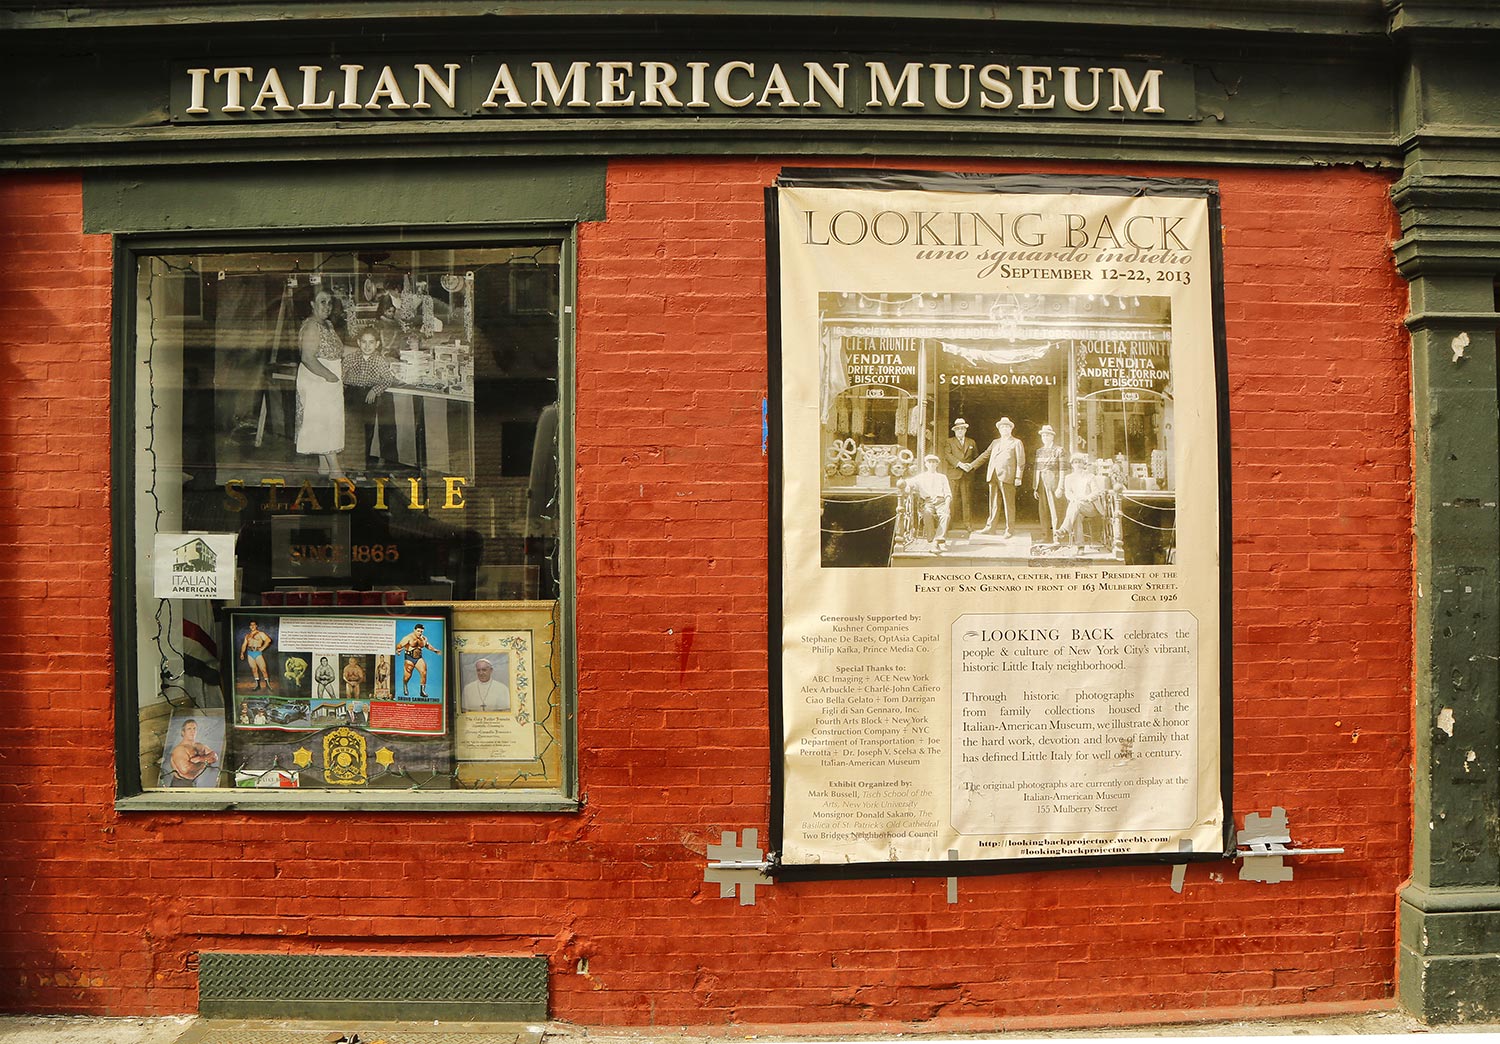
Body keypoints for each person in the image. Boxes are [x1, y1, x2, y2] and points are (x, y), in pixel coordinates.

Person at [295, 288, 345, 477]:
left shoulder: (327, 325)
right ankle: (335, 470)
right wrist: (329, 376)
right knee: (324, 423)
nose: (327, 306)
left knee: (328, 421)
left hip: (326, 379)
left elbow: (339, 350)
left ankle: (324, 466)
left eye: (329, 302)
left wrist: (365, 349)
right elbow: (307, 358)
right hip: (317, 379)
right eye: (322, 301)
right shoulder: (311, 326)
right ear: (312, 304)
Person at [343, 329, 398, 471]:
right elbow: (341, 376)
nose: (367, 346)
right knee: (351, 431)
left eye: (371, 342)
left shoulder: (379, 360)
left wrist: (375, 390)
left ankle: (364, 466)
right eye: (364, 342)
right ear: (358, 343)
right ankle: (350, 466)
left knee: (367, 432)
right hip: (351, 396)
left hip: (369, 397)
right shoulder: (351, 358)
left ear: (377, 344)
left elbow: (387, 379)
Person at [963, 417, 1025, 538]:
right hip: (993, 475)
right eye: (1002, 427)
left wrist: (1018, 477)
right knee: (993, 503)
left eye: (1007, 427)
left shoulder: (1016, 442)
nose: (1004, 429)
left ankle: (1009, 530)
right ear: (999, 429)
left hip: (1008, 476)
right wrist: (971, 466)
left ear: (1011, 428)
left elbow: (1021, 461)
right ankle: (990, 527)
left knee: (1009, 504)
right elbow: (985, 455)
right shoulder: (995, 442)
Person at [904, 453, 953, 551]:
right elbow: (909, 482)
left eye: (934, 462)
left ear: (937, 464)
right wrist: (907, 487)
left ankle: (937, 541)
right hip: (928, 502)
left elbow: (948, 493)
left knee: (946, 515)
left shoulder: (942, 477)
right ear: (926, 464)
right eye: (929, 462)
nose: (932, 464)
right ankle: (932, 541)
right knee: (927, 513)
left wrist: (947, 506)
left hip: (941, 502)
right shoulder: (921, 477)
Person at [1057, 453, 1110, 542]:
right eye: (1075, 462)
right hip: (1076, 506)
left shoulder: (1090, 476)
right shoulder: (1068, 478)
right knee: (1076, 515)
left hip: (1090, 507)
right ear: (1072, 464)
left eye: (1080, 462)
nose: (1077, 464)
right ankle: (1080, 546)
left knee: (1076, 505)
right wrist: (1074, 499)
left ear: (1083, 464)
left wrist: (1085, 498)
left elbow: (1096, 492)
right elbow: (1068, 493)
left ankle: (1064, 529)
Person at [941, 418, 978, 534]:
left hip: (967, 475)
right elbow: (947, 455)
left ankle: (967, 524)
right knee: (951, 499)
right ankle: (949, 523)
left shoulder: (971, 442)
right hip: (953, 474)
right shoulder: (949, 442)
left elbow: (976, 457)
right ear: (954, 431)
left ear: (965, 430)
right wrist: (960, 464)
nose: (960, 431)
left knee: (967, 500)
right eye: (958, 429)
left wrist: (971, 466)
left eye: (962, 429)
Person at [1033, 424, 1067, 539]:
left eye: (1048, 435)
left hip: (1054, 484)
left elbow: (1063, 470)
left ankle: (1057, 536)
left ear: (1052, 437)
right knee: (1044, 510)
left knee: (1055, 510)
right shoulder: (1040, 451)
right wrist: (1036, 487)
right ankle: (1046, 535)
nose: (1045, 437)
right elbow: (1037, 469)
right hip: (1042, 483)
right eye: (1043, 435)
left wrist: (1060, 487)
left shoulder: (1059, 450)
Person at [395, 623, 441, 699]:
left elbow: (427, 645)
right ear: (414, 630)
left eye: (421, 631)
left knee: (424, 672)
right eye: (418, 631)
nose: (419, 633)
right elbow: (399, 645)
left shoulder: (424, 639)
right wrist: (398, 650)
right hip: (409, 658)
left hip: (418, 658)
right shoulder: (408, 637)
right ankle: (405, 685)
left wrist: (435, 650)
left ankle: (422, 691)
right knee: (407, 676)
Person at [167, 719, 217, 787]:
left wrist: (199, 759)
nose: (192, 731)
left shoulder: (200, 746)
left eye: (194, 729)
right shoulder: (179, 749)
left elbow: (214, 756)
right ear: (183, 732)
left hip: (194, 782)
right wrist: (205, 762)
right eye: (189, 729)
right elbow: (186, 769)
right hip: (181, 784)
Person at [240, 620, 272, 692]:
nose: (252, 626)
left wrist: (262, 648)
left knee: (263, 669)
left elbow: (268, 640)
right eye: (251, 625)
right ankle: (257, 685)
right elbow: (244, 645)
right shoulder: (247, 635)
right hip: (250, 653)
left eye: (254, 625)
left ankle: (267, 684)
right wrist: (242, 653)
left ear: (256, 625)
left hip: (257, 653)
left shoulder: (260, 633)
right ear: (249, 626)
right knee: (254, 669)